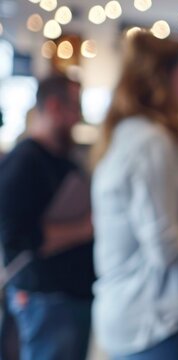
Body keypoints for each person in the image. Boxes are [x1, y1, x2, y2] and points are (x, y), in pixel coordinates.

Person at [91, 32, 178, 359]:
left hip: (134, 320)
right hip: (154, 326)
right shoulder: (150, 142)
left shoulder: (129, 136)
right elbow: (166, 246)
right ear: (161, 80)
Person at [0, 75, 95, 360]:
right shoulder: (25, 161)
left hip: (68, 294)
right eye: (74, 108)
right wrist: (84, 228)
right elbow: (15, 236)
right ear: (53, 106)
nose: (78, 117)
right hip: (45, 296)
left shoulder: (61, 157)